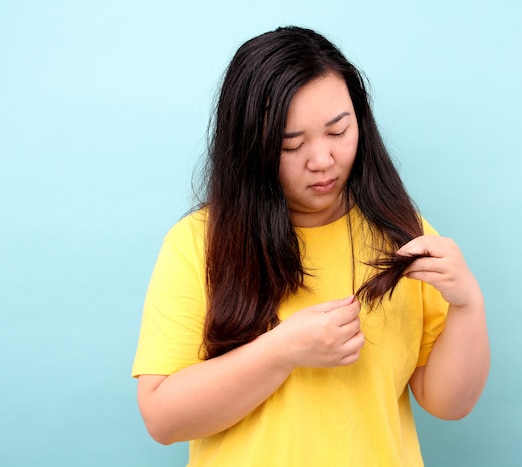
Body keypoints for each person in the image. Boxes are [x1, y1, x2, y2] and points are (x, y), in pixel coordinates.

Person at [132, 25, 490, 467]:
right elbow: (162, 418)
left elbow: (447, 403)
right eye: (291, 145)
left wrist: (467, 304)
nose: (322, 161)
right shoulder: (198, 242)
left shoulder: (405, 234)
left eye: (338, 133)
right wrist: (282, 351)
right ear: (250, 147)